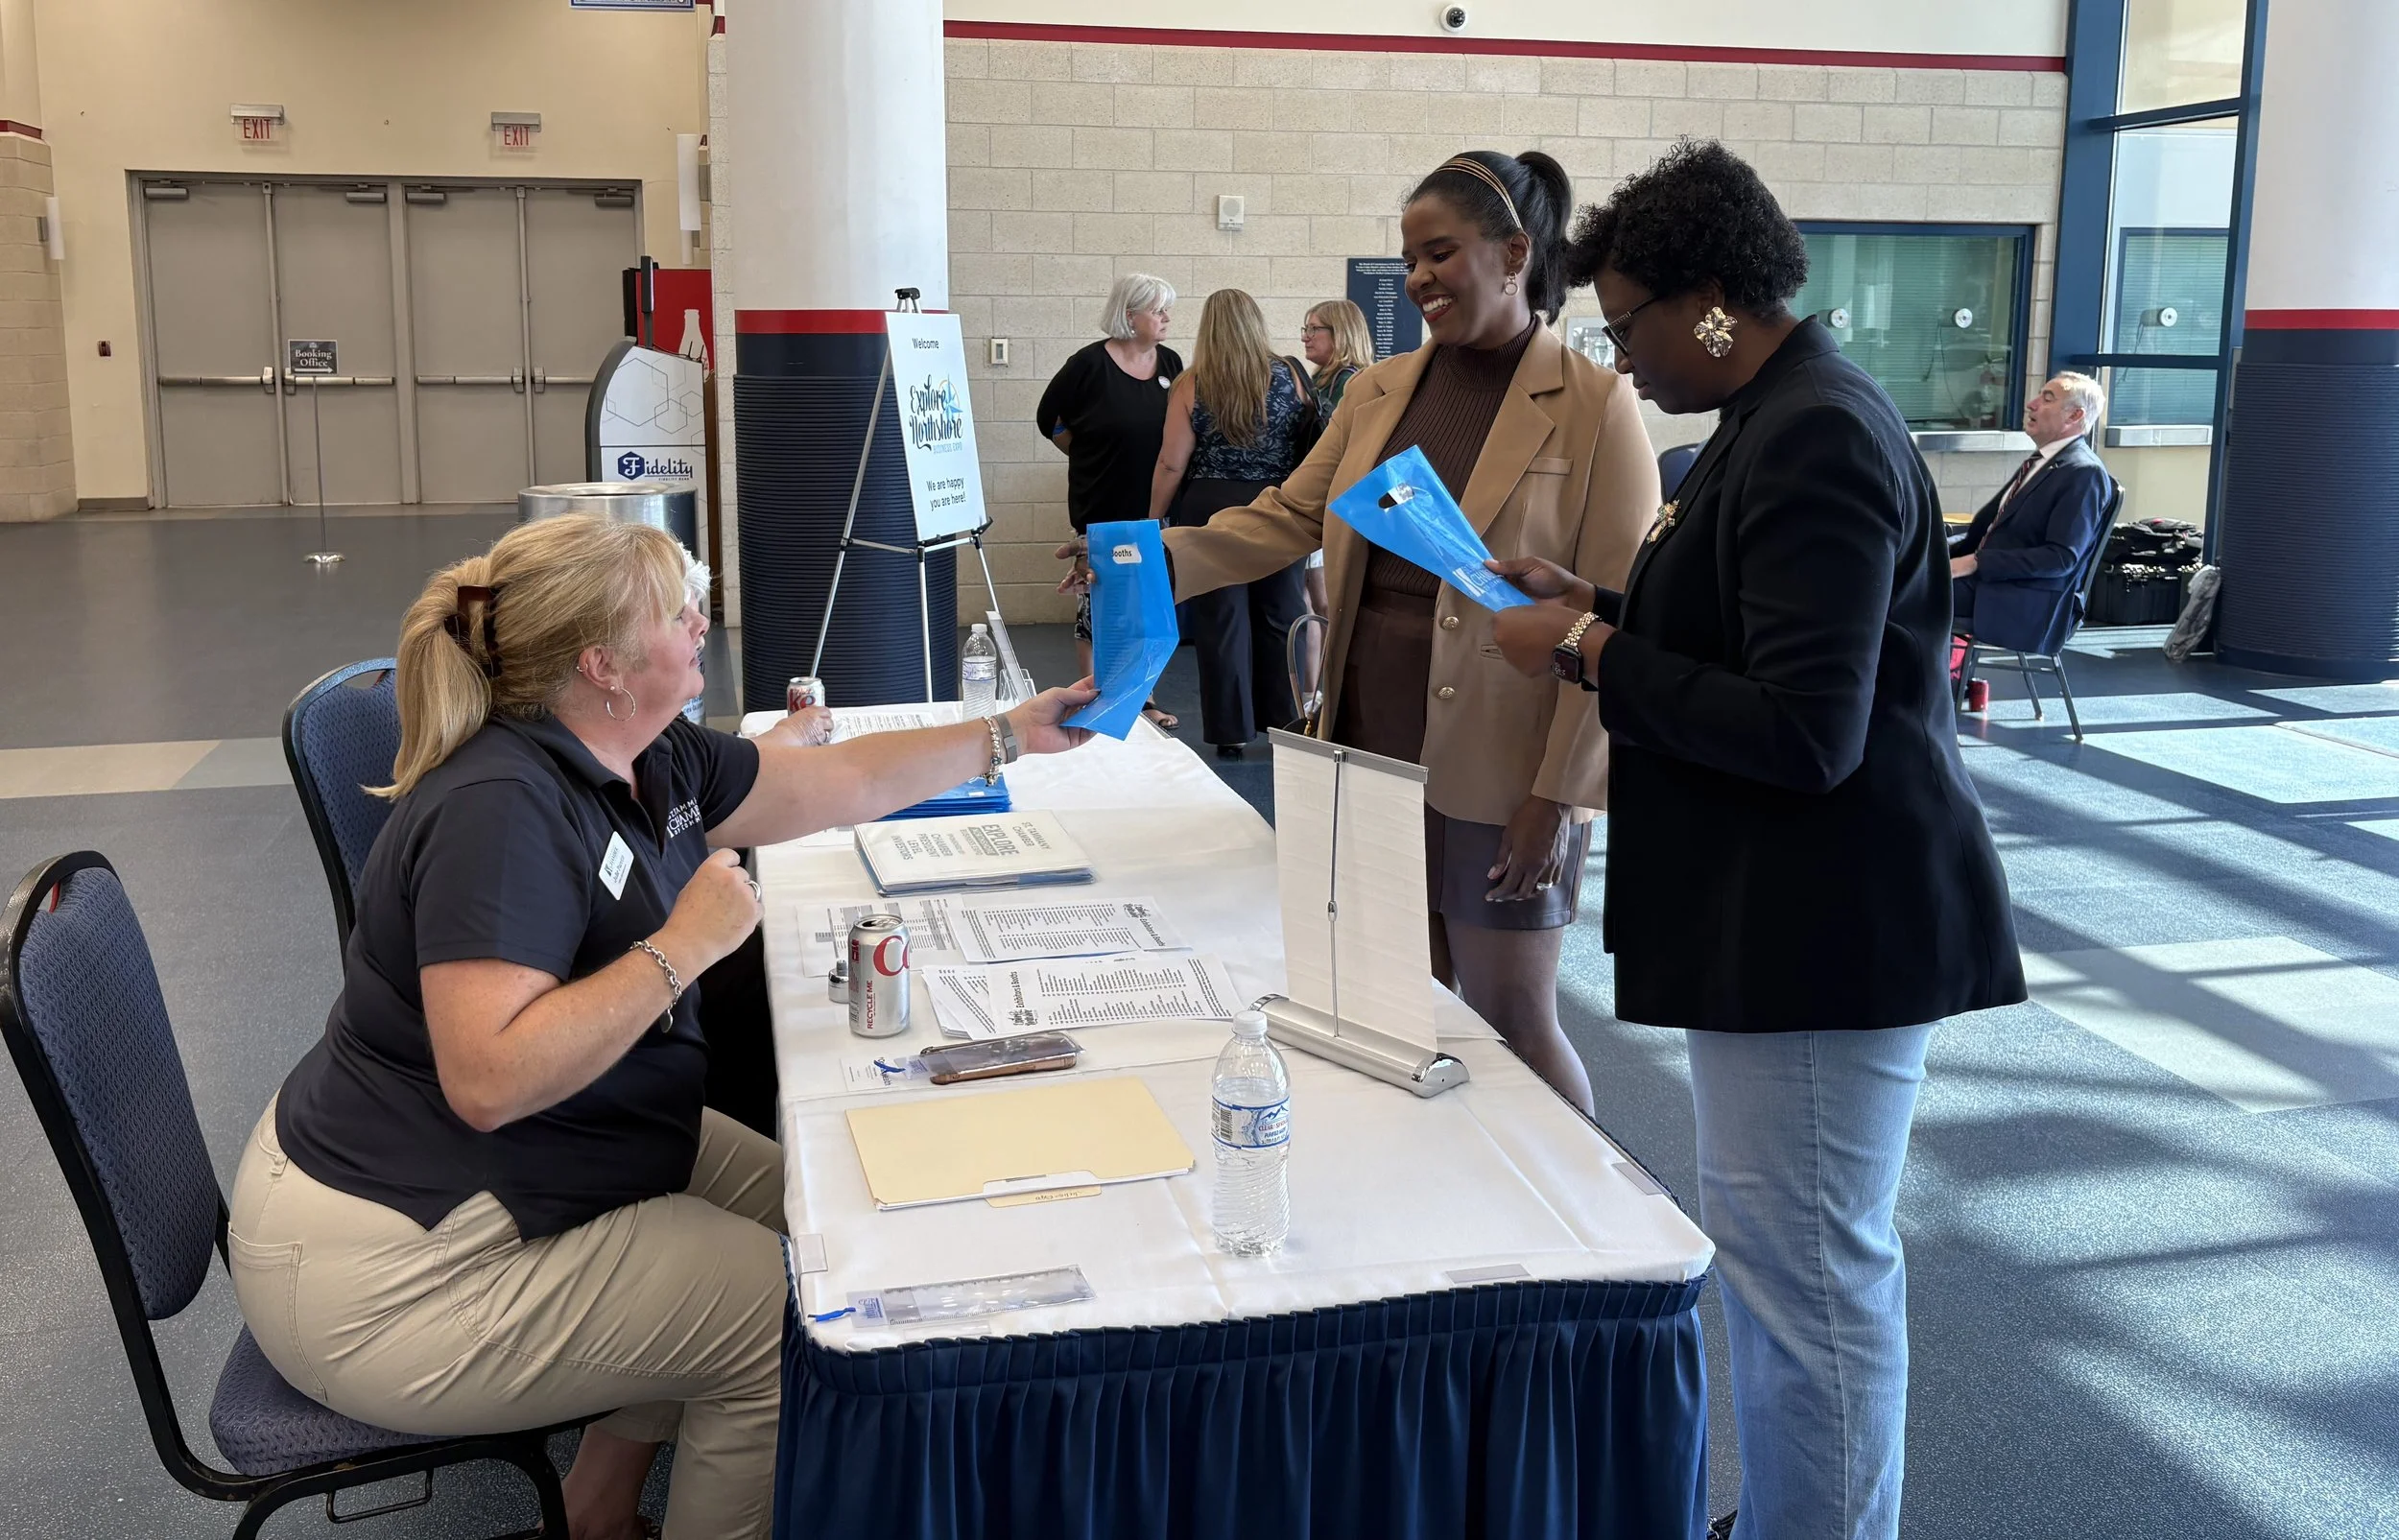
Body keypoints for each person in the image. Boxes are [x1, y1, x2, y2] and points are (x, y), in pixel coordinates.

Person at [228, 515, 1098, 1540]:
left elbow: (842, 784)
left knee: (831, 1223)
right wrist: (680, 949)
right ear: (601, 663)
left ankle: (596, 1510)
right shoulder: (500, 811)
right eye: (674, 610)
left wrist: (1012, 733)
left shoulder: (648, 753)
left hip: (528, 1160)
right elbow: (489, 1077)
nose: (700, 621)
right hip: (389, 1269)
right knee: (788, 1326)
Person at [1487, 141, 2024, 1540]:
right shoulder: (1768, 416)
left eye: (1629, 326)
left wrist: (1595, 646)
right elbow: (1743, 620)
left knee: (1814, 1287)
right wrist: (1595, 594)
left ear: (1713, 300)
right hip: (1784, 921)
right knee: (1791, 1272)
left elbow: (1805, 729)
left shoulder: (1818, 431)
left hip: (1823, 932)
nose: (1625, 359)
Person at [1066, 149, 1658, 1114]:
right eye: (1409, 257)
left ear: (1513, 253)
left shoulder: (1595, 405)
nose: (1420, 276)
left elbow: (1614, 611)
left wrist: (1561, 795)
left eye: (1442, 253)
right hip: (1370, 735)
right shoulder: (1379, 392)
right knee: (1400, 1009)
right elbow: (1287, 518)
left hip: (1505, 757)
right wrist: (1145, 556)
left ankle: (1592, 1238)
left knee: (1512, 1015)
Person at [1146, 287, 1316, 758]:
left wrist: (1153, 518)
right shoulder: (1292, 375)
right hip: (1280, 505)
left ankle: (1230, 732)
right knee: (1282, 614)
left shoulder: (1192, 382)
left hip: (1211, 506)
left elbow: (1171, 462)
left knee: (1222, 620)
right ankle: (1285, 725)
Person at [1037, 272, 1183, 725]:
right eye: (1156, 309)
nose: (1165, 317)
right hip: (1099, 499)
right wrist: (1085, 453)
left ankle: (1143, 699)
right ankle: (1095, 695)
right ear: (1129, 314)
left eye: (1166, 309)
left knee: (1146, 603)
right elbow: (1049, 419)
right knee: (1097, 603)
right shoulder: (1088, 364)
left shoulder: (1171, 363)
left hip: (1153, 504)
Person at [1949, 371, 2114, 653]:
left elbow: (2061, 558)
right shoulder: (2042, 462)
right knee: (1888, 578)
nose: (2031, 404)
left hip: (2021, 601)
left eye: (2047, 398)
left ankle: (1920, 692)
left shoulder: (2084, 473)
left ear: (2075, 416)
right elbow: (1988, 532)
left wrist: (1977, 562)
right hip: (1989, 585)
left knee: (1893, 594)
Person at [1301, 297, 1376, 409]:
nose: (1304, 338)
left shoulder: (1349, 382)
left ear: (1339, 333)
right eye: (1306, 329)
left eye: (1313, 329)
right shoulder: (1323, 378)